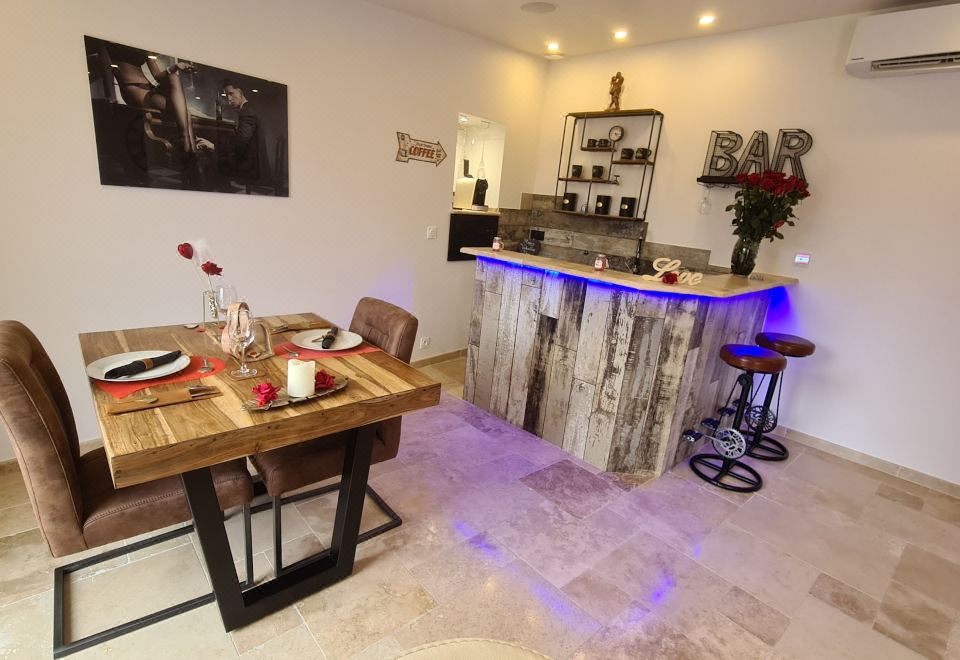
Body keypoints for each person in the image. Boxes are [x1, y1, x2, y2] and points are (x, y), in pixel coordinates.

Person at [101, 40, 198, 153]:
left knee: (175, 82)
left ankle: (190, 149)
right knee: (184, 113)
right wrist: (110, 96)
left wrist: (176, 66)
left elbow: (157, 75)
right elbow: (106, 67)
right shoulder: (111, 40)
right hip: (133, 88)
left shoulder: (142, 44)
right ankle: (187, 143)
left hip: (149, 89)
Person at [196, 80, 270, 185]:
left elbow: (241, 142)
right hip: (251, 162)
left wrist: (214, 146)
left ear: (240, 92)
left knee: (211, 164)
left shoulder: (247, 112)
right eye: (226, 96)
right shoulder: (248, 109)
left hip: (251, 167)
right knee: (217, 159)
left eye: (231, 94)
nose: (229, 99)